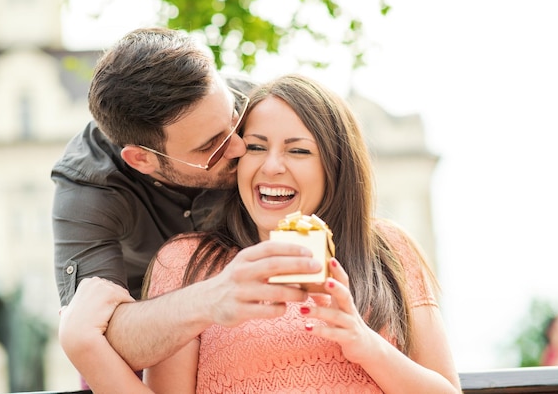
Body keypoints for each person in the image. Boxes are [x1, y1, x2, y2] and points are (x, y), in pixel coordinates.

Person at [60, 74, 462, 393]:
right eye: (255, 147)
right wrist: (84, 345)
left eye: (298, 150)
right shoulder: (185, 262)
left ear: (335, 167)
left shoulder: (389, 249)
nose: (271, 167)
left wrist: (364, 343)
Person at [52, 27, 323, 373]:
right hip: (149, 352)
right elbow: (100, 339)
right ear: (142, 160)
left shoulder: (256, 103)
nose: (239, 147)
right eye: (211, 147)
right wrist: (210, 297)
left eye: (234, 121)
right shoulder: (87, 191)